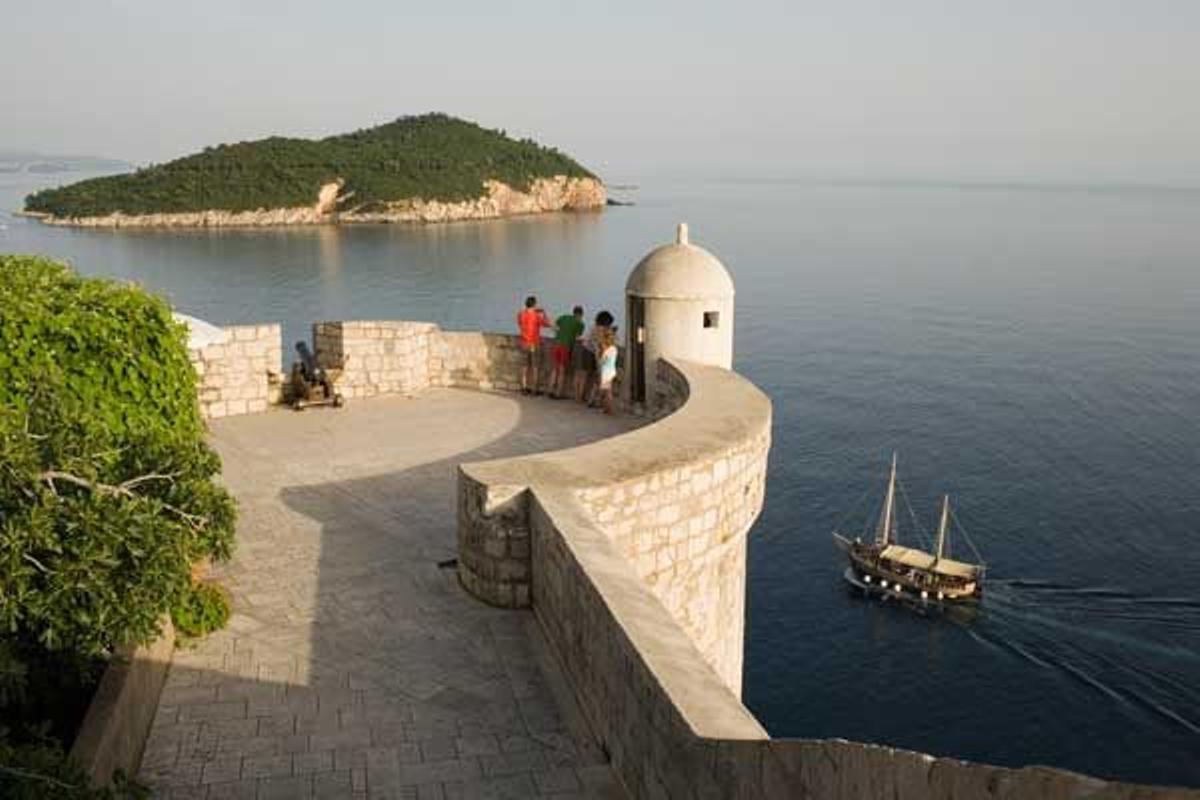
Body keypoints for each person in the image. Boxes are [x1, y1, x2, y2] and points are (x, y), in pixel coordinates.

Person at [575, 309, 613, 405]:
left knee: (587, 375)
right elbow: (597, 347)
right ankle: (580, 397)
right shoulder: (598, 330)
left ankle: (583, 397)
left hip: (588, 350)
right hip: (588, 351)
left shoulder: (597, 328)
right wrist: (599, 362)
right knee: (585, 375)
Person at [517, 295, 553, 394]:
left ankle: (524, 388)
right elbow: (548, 324)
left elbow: (520, 323)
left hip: (524, 343)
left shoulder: (520, 314)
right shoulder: (536, 316)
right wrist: (544, 313)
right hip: (533, 343)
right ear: (535, 304)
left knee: (524, 366)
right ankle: (534, 390)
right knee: (535, 367)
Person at [549, 305, 585, 399]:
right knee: (561, 370)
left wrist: (559, 334)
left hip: (557, 344)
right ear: (581, 314)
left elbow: (554, 326)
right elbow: (578, 337)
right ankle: (558, 393)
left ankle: (550, 390)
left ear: (573, 312)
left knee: (554, 369)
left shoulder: (564, 317)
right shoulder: (580, 323)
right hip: (566, 347)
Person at [596, 325, 618, 415]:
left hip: (606, 372)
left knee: (608, 392)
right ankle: (606, 408)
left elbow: (602, 362)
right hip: (611, 370)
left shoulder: (607, 350)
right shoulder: (614, 348)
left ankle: (610, 409)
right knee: (606, 391)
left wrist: (599, 355)